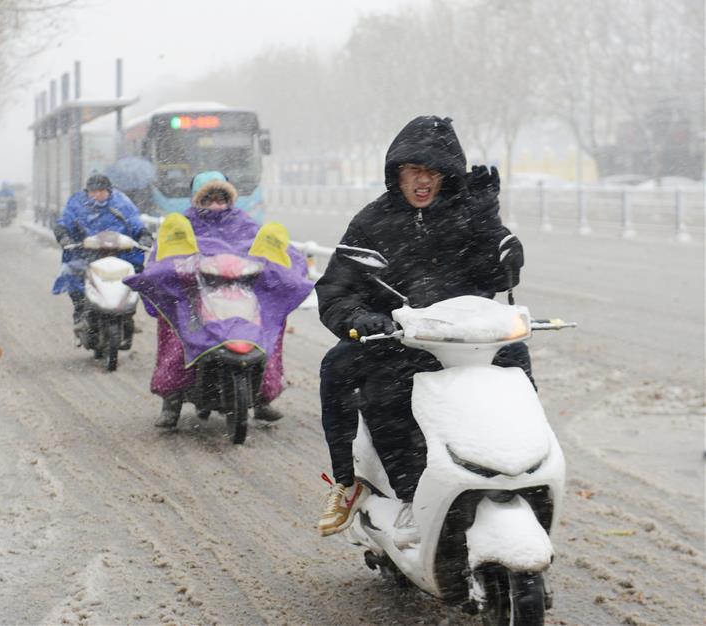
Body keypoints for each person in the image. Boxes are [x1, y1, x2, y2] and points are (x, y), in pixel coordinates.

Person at [314, 115, 530, 541]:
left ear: (448, 176)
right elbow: (335, 290)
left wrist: (489, 220)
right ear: (397, 174)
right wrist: (360, 319)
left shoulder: (469, 215)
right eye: (413, 171)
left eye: (432, 171)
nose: (422, 181)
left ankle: (519, 467)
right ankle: (350, 481)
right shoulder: (371, 222)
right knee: (340, 369)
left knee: (515, 359)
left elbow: (498, 275)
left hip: (467, 341)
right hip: (397, 340)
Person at [146, 171, 306, 428]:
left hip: (242, 293)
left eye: (221, 198)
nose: (216, 205)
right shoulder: (183, 225)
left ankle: (263, 396)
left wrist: (281, 268)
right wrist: (175, 271)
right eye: (209, 199)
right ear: (197, 200)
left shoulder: (243, 223)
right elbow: (164, 255)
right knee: (175, 329)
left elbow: (271, 250)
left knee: (269, 329)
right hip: (194, 295)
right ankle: (172, 398)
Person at [51, 172, 147, 338]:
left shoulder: (122, 203)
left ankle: (129, 313)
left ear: (109, 191)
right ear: (87, 192)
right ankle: (81, 312)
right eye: (93, 192)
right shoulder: (77, 204)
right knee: (72, 273)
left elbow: (135, 222)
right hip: (86, 254)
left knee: (137, 276)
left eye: (101, 191)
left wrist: (144, 235)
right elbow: (65, 221)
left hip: (121, 254)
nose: (97, 195)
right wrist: (64, 236)